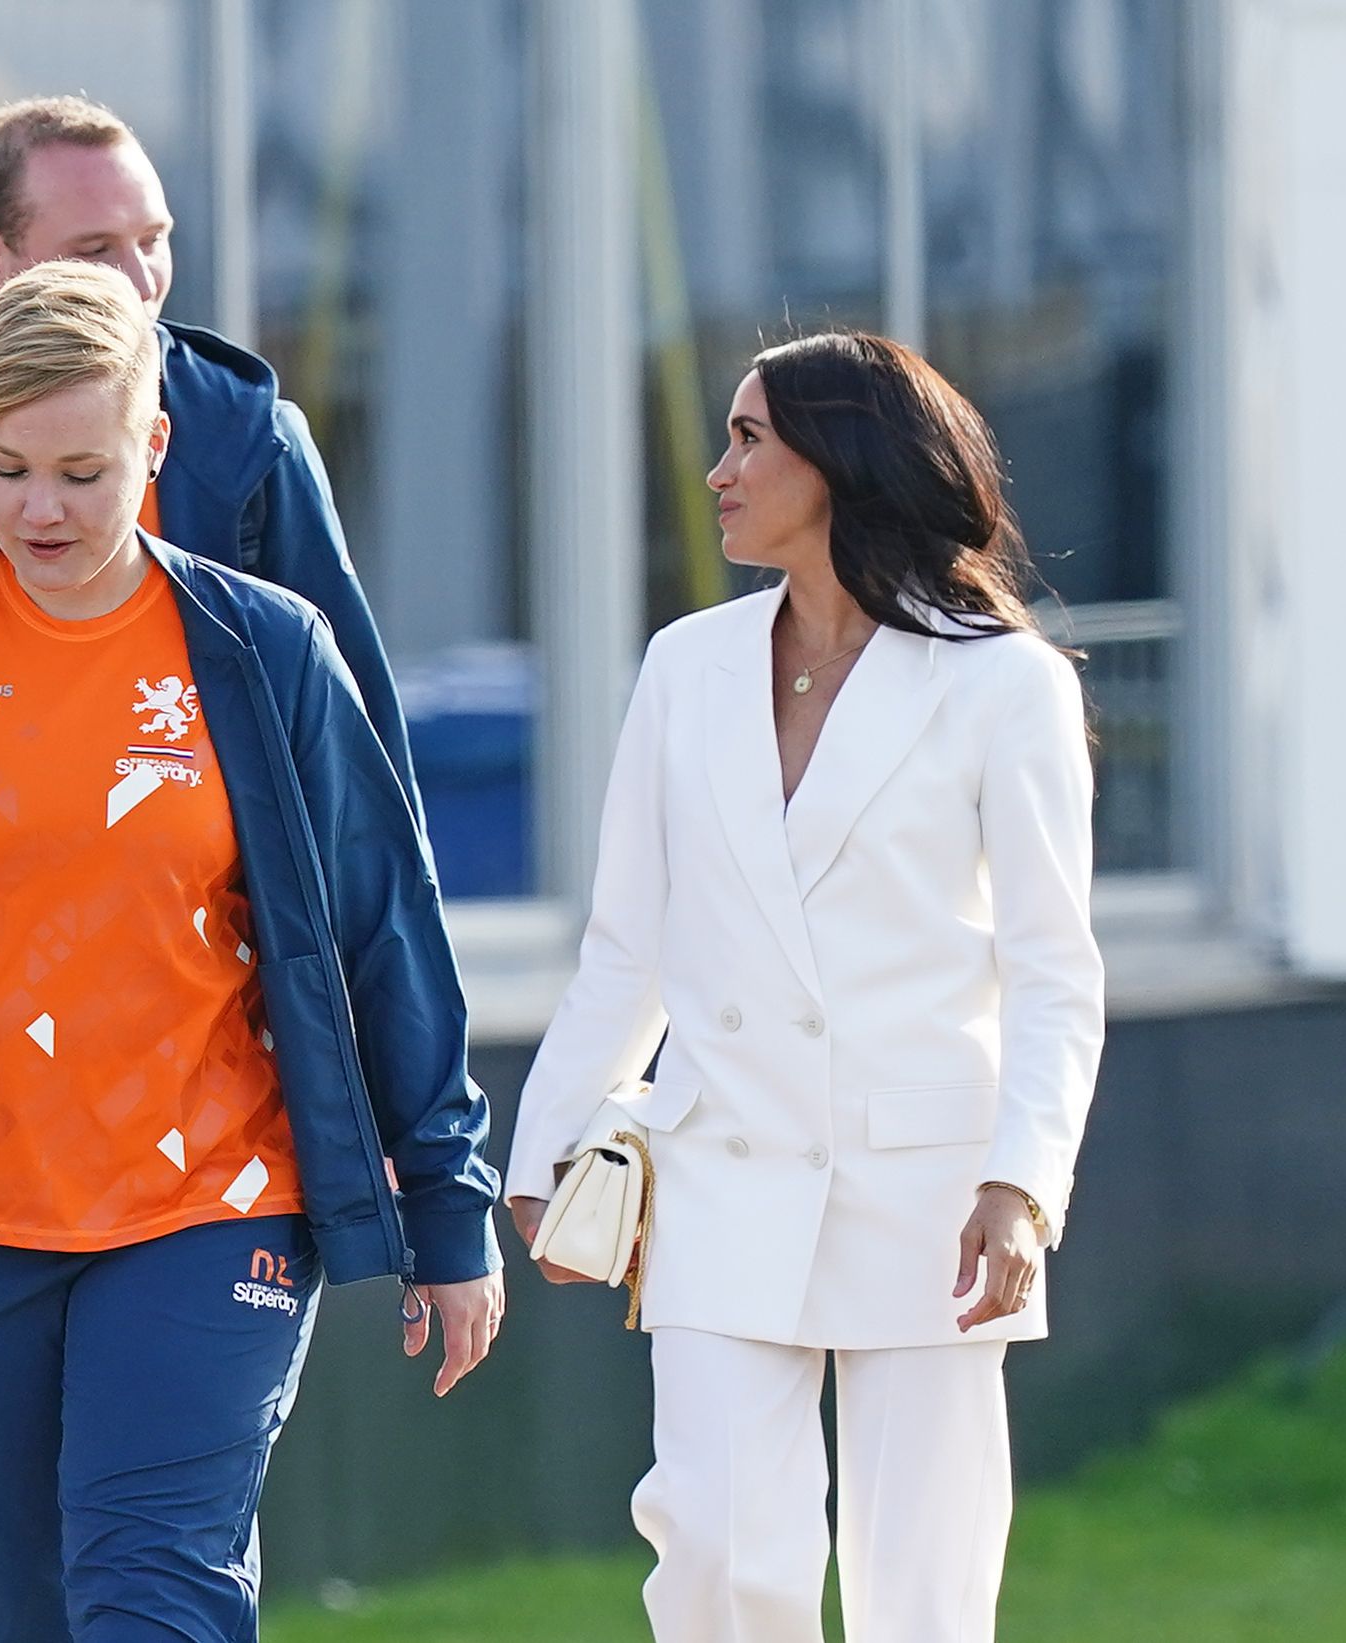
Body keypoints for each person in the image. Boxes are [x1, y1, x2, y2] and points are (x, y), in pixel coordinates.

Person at [0, 262, 504, 1643]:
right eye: (7, 467)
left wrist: (444, 1194)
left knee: (155, 1592)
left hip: (211, 1204)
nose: (41, 509)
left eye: (83, 471)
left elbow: (379, 922)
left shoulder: (265, 647)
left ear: (155, 444)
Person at [502, 331, 1106, 1643]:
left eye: (748, 438)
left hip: (930, 1187)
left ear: (840, 460)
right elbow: (629, 943)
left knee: (922, 1590)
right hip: (720, 1160)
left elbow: (1054, 968)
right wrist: (544, 1142)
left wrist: (1020, 1182)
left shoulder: (1005, 683)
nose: (716, 471)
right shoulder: (685, 665)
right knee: (716, 1553)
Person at [0, 93, 418, 883]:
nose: (140, 279)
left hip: (200, 944)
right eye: (96, 250)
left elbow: (360, 766)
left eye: (154, 240)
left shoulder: (253, 444)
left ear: (154, 446)